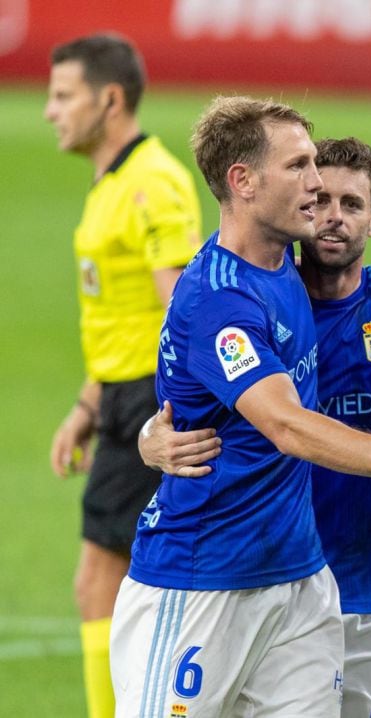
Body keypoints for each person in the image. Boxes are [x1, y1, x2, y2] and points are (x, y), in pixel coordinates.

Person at [109, 96, 371, 718]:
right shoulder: (219, 299)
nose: (317, 187)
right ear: (243, 181)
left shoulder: (286, 269)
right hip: (202, 580)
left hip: (300, 582)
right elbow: (286, 423)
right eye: (299, 167)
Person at [139, 137, 371, 717]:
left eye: (352, 203)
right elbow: (190, 398)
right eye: (321, 199)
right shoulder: (259, 298)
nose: (332, 217)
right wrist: (150, 437)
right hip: (268, 577)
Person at [43, 33, 202, 718]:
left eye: (62, 95)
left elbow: (183, 304)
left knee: (101, 582)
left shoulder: (152, 183)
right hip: (120, 393)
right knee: (118, 582)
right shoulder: (113, 181)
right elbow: (124, 310)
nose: (50, 110)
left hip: (148, 398)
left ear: (109, 99)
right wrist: (87, 401)